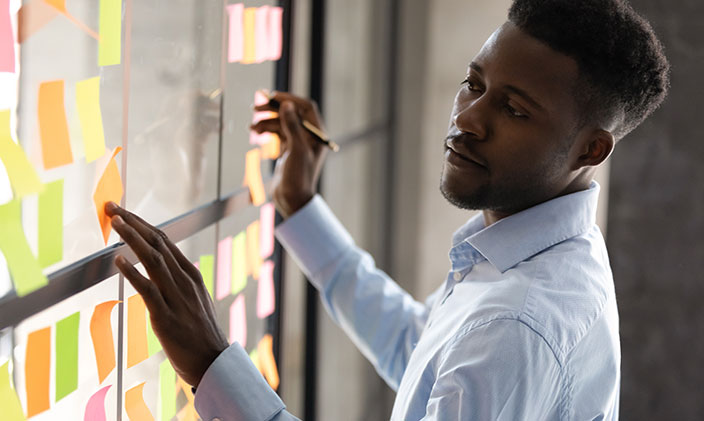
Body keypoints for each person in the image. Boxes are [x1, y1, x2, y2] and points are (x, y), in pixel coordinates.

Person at [105, 0, 670, 419]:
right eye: (473, 83)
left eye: (514, 110)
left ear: (590, 149)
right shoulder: (532, 256)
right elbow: (418, 352)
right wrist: (299, 207)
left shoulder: (518, 324)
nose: (469, 118)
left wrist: (209, 363)